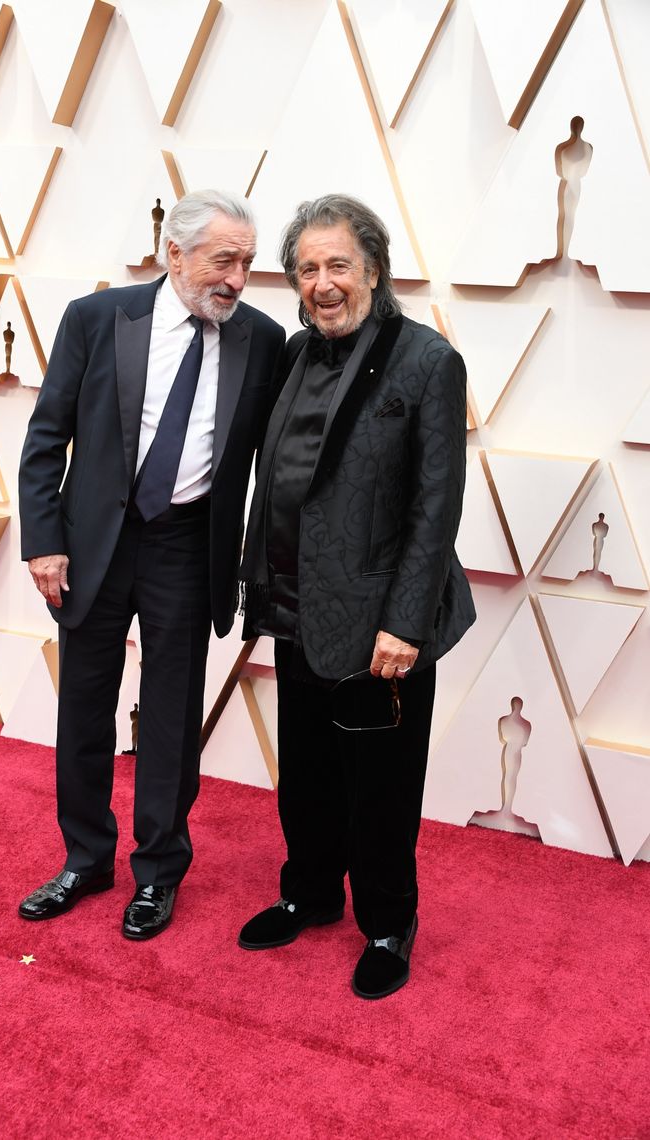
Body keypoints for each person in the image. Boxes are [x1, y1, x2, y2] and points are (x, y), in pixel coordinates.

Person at [17, 189, 285, 940]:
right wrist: (43, 539)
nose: (236, 279)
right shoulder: (97, 318)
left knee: (171, 717)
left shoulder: (263, 339)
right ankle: (85, 859)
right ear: (174, 253)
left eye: (247, 263)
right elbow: (46, 437)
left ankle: (158, 872)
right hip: (96, 542)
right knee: (84, 708)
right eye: (223, 260)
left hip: (189, 546)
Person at [237, 194, 475, 999]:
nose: (322, 283)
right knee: (306, 771)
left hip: (381, 620)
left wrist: (405, 623)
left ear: (374, 269)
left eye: (338, 264)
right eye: (307, 269)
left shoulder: (427, 361)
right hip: (295, 604)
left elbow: (435, 507)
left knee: (381, 784)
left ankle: (387, 922)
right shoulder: (294, 353)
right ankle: (309, 892)